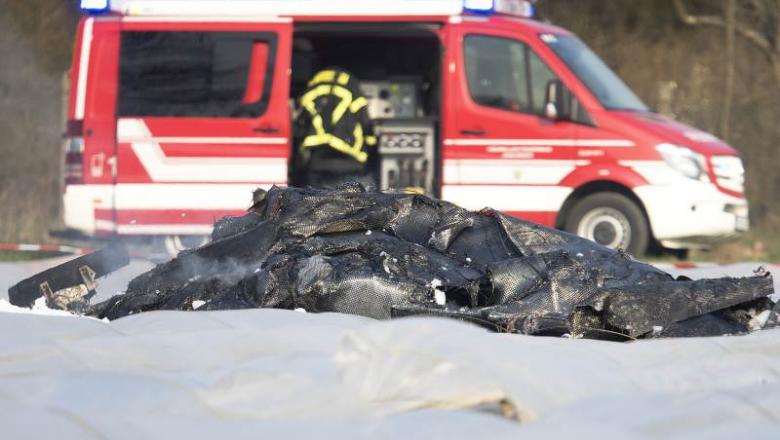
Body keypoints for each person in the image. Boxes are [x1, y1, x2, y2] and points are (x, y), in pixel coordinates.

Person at [293, 68, 378, 188]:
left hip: (318, 160)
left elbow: (299, 126)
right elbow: (365, 121)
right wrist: (372, 150)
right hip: (350, 158)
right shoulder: (352, 88)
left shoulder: (310, 92)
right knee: (353, 196)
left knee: (317, 197)